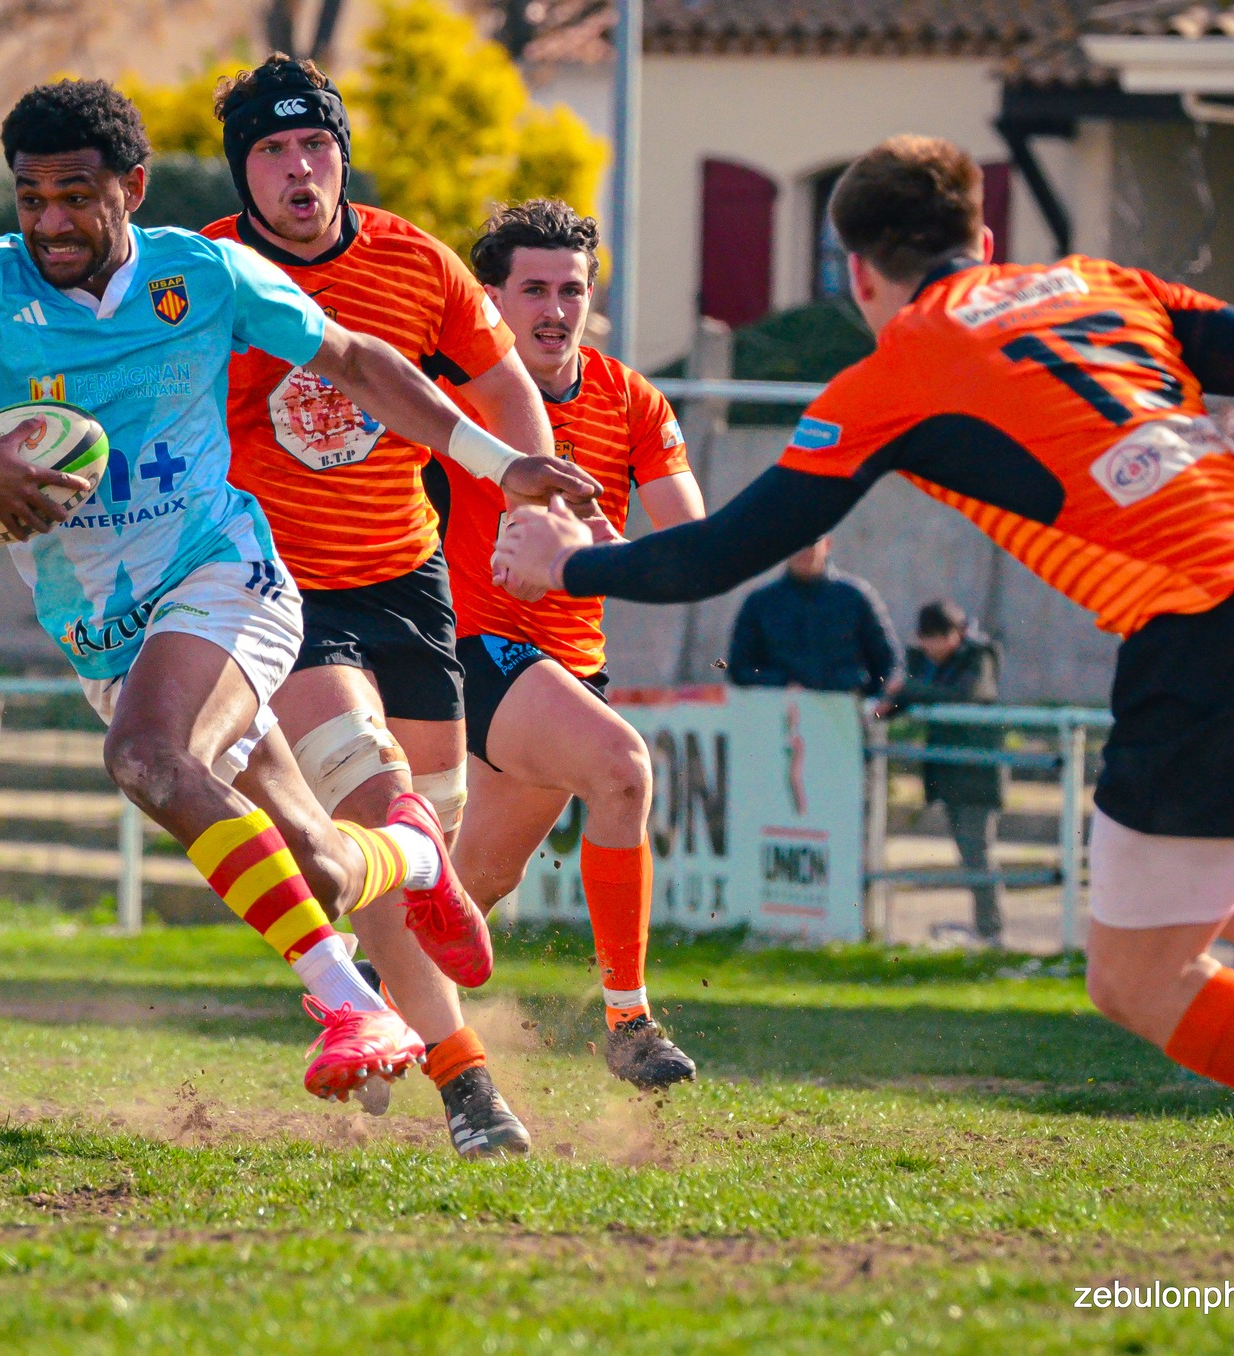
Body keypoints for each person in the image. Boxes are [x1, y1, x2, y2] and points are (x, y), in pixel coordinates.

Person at [496, 134, 1234, 1251]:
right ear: (984, 239)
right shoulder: (1094, 282)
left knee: (1138, 976)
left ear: (856, 273)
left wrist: (563, 565)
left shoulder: (892, 371)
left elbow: (716, 556)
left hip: (1209, 632)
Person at [0, 80, 569, 1119]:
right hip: (100, 627)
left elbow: (359, 362)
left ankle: (347, 1008)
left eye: (75, 196)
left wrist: (501, 467)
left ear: (131, 190)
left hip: (225, 576)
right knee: (317, 866)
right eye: (29, 198)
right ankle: (413, 851)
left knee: (147, 757)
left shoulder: (205, 271)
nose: (50, 221)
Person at [200, 56, 598, 1157]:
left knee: (429, 841)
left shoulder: (413, 259)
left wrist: (534, 494)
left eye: (314, 145)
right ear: (244, 172)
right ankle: (470, 1088)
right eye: (272, 152)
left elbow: (500, 380)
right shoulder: (206, 272)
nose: (298, 168)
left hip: (404, 577)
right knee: (383, 807)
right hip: (278, 589)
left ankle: (368, 994)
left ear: (340, 154)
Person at [438, 199, 705, 1089]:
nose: (555, 308)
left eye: (573, 290)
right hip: (475, 646)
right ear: (492, 301)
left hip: (570, 665)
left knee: (472, 884)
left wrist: (590, 555)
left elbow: (689, 541)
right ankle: (628, 1021)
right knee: (623, 769)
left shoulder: (630, 396)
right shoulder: (451, 393)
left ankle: (368, 997)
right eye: (535, 289)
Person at [892, 599, 1005, 943]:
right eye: (927, 639)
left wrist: (908, 691)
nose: (933, 647)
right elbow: (898, 698)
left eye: (940, 638)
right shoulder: (922, 661)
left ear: (957, 634)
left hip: (978, 774)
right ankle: (987, 931)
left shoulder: (979, 656)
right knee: (969, 853)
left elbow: (967, 694)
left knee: (977, 852)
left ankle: (991, 933)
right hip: (948, 774)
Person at [726, 537, 902, 696]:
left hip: (845, 711)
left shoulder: (855, 598)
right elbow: (739, 669)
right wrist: (782, 683)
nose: (803, 551)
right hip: (782, 713)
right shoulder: (760, 603)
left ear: (826, 544)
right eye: (796, 545)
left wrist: (879, 698)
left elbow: (888, 663)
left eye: (811, 544)